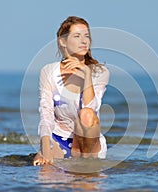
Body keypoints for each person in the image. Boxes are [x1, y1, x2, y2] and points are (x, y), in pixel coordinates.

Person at [33, 16, 109, 166]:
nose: (84, 41)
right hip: (59, 139)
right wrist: (45, 149)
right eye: (77, 36)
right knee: (43, 169)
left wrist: (87, 76)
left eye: (87, 36)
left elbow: (91, 109)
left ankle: (85, 162)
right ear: (62, 41)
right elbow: (46, 113)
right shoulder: (48, 71)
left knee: (86, 114)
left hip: (88, 146)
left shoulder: (100, 72)